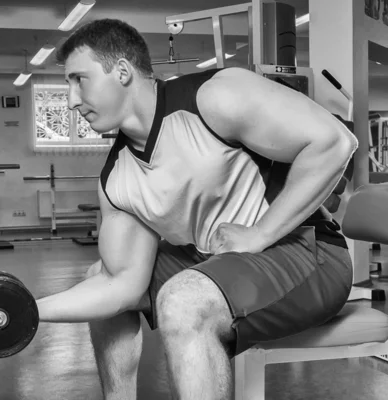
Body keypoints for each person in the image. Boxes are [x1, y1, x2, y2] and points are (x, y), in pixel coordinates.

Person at [35, 18, 358, 400]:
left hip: (307, 253)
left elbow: (335, 142)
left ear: (121, 71)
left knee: (184, 301)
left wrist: (260, 234)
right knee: (98, 273)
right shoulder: (116, 179)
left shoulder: (214, 97)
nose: (71, 100)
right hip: (221, 260)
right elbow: (120, 286)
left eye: (79, 80)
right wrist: (26, 308)